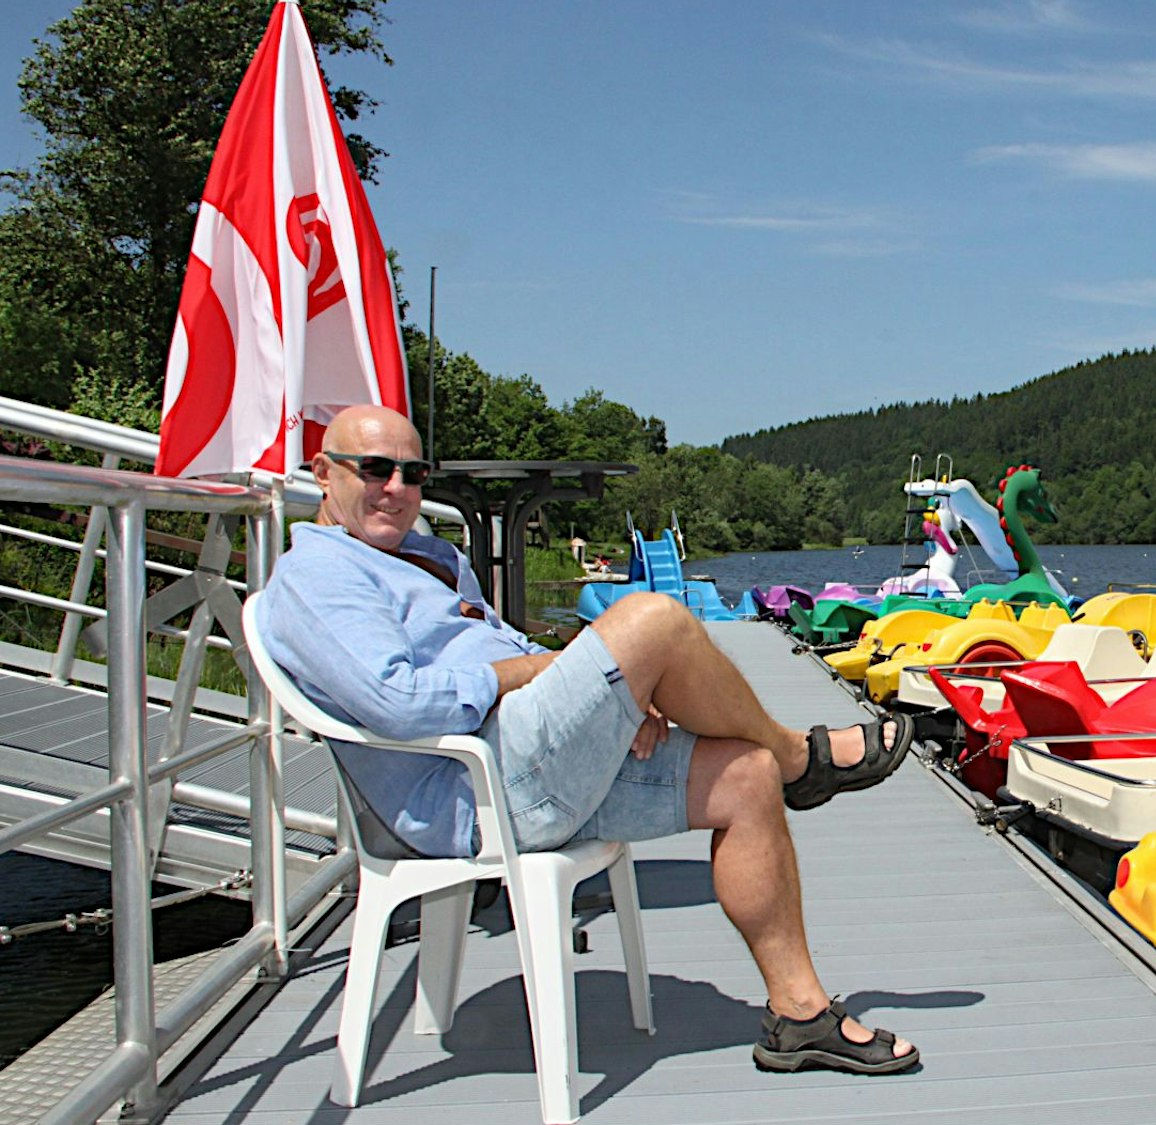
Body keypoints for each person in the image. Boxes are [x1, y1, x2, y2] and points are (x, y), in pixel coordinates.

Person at [260, 405, 918, 1075]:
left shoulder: (427, 556)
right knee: (652, 617)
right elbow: (399, 702)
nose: (397, 489)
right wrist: (557, 671)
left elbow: (507, 650)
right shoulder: (319, 576)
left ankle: (800, 1015)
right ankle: (799, 757)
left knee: (747, 775)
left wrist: (615, 695)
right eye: (375, 469)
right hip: (470, 793)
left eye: (414, 473)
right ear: (324, 472)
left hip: (524, 759)